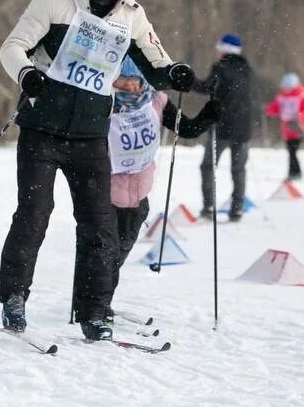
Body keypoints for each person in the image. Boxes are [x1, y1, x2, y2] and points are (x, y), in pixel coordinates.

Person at [0, 0, 194, 342]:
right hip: (42, 130)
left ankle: (93, 311)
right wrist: (27, 74)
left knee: (99, 225)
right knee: (35, 213)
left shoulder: (131, 15)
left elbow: (156, 63)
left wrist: (175, 73)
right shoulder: (52, 0)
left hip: (89, 135)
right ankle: (14, 297)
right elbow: (12, 47)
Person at [90, 58, 218, 319]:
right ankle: (95, 306)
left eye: (137, 81)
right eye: (124, 82)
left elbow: (187, 129)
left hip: (139, 198)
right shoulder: (102, 104)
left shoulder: (156, 100)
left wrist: (210, 113)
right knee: (105, 254)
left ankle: (98, 300)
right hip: (106, 195)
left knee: (117, 255)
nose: (132, 87)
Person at [193, 33, 253, 221]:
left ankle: (208, 207)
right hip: (244, 128)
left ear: (224, 49)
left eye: (219, 48)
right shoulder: (248, 69)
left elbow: (207, 87)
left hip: (223, 127)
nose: (217, 51)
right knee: (238, 169)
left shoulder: (220, 67)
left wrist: (188, 81)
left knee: (208, 166)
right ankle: (237, 209)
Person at [266, 72, 304, 181]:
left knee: (292, 151)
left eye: (286, 87)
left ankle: (295, 174)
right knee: (291, 151)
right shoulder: (281, 97)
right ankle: (294, 173)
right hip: (287, 130)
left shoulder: (301, 96)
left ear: (292, 87)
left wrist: (301, 117)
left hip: (299, 129)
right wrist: (269, 111)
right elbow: (275, 107)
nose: (284, 89)